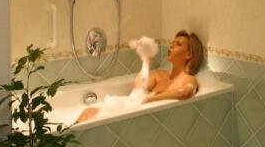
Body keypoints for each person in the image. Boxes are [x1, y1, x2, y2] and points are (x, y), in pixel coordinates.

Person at [76, 30, 204, 123]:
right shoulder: (160, 75)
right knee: (88, 112)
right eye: (172, 42)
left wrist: (150, 99)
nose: (171, 46)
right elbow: (137, 89)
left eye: (178, 44)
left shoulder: (188, 79)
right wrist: (146, 60)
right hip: (133, 109)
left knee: (90, 116)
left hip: (147, 118)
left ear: (188, 55)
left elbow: (186, 92)